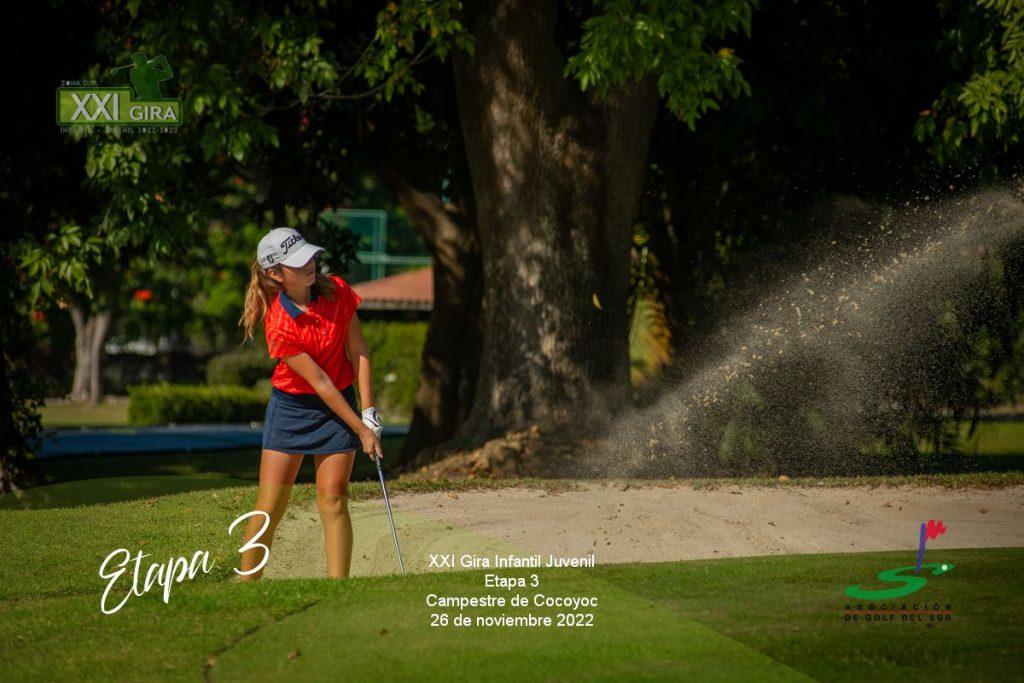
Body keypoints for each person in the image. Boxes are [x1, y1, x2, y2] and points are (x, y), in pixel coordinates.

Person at [236, 227, 383, 580]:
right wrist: (361, 430)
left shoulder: (338, 292)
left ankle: (337, 589)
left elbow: (358, 349)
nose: (309, 265)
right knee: (270, 506)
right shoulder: (279, 323)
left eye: (309, 257)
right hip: (292, 409)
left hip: (340, 404)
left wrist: (369, 411)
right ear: (275, 274)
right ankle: (245, 586)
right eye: (297, 262)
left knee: (333, 497)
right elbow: (320, 383)